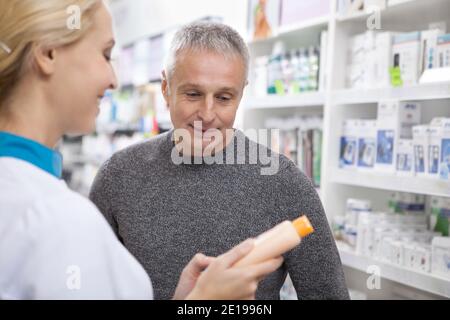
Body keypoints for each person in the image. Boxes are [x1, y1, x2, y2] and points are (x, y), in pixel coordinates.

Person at [0, 0, 283, 300]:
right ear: (48, 53)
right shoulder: (59, 219)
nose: (113, 79)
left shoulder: (29, 199)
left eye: (224, 96)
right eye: (105, 54)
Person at [90, 21, 350, 300]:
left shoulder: (284, 183)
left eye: (224, 97)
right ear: (166, 88)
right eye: (193, 94)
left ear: (241, 94)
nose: (207, 113)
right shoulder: (119, 176)